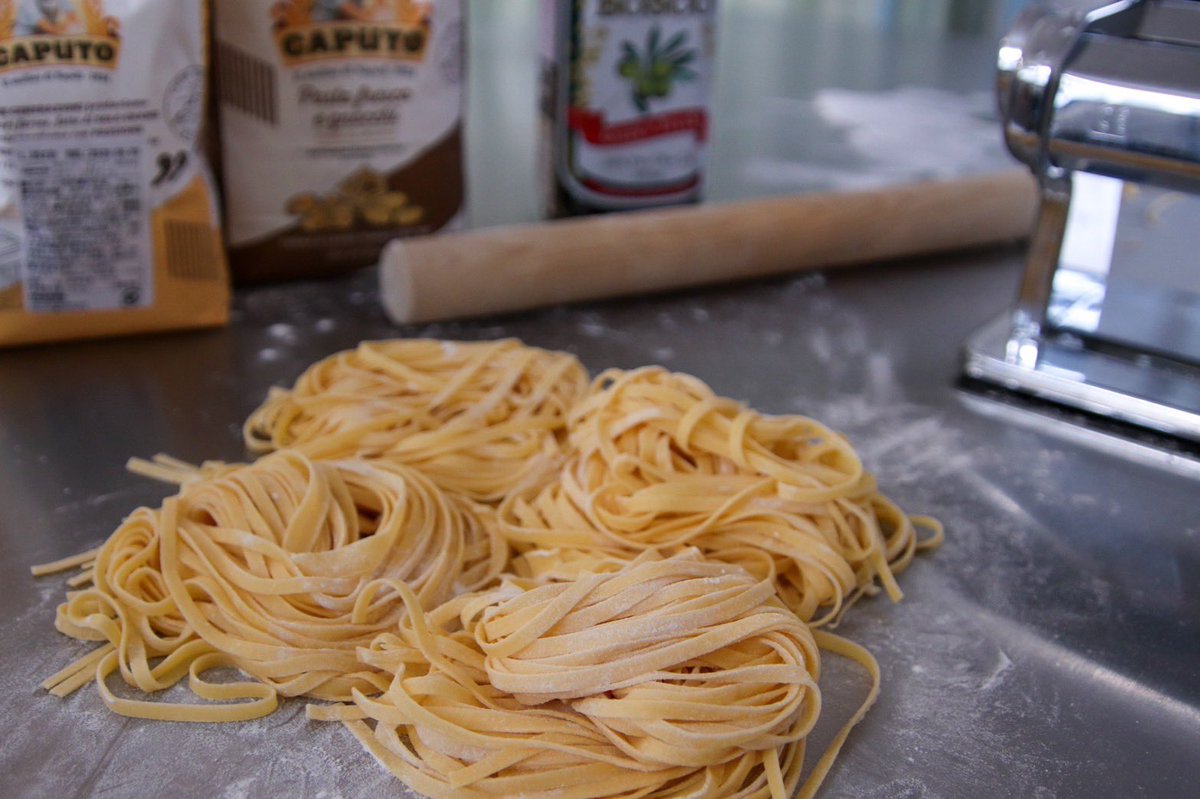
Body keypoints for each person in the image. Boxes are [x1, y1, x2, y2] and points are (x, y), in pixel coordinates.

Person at [15, 0, 82, 36]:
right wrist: (62, 33)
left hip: (46, 34)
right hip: (25, 35)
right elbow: (41, 23)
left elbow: (72, 15)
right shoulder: (28, 2)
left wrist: (71, 27)